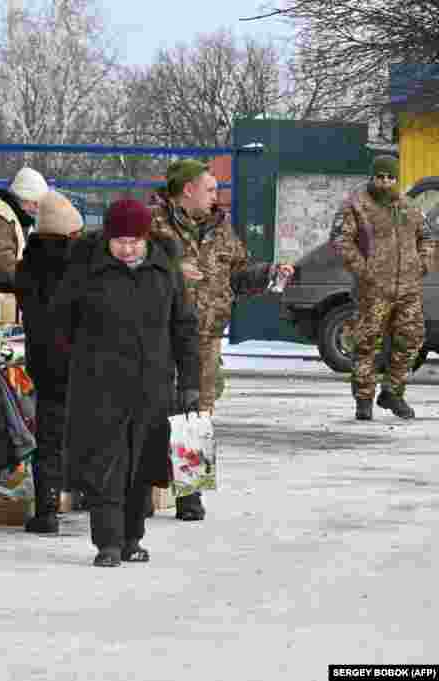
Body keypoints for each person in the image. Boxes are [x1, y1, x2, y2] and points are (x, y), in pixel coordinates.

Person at [58, 199, 199, 567]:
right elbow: (62, 322)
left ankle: (132, 538)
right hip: (100, 386)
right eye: (119, 240)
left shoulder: (164, 269)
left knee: (143, 464)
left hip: (152, 385)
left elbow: (183, 326)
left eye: (134, 240)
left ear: (146, 238)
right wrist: (79, 363)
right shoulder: (86, 270)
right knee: (106, 465)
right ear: (107, 238)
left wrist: (190, 380)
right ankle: (107, 542)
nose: (127, 247)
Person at [149, 159, 290, 521]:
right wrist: (172, 271)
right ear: (188, 190)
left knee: (196, 413)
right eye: (210, 189)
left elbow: (238, 272)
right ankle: (142, 492)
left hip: (205, 337)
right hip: (156, 335)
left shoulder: (221, 227)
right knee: (151, 411)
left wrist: (269, 273)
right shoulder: (152, 225)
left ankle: (190, 495)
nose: (216, 196)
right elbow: (128, 266)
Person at [331, 155, 430, 420]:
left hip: (408, 289)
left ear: (396, 179)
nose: (385, 182)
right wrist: (364, 271)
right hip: (373, 290)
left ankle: (392, 392)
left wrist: (422, 264)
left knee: (412, 340)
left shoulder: (409, 207)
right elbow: (341, 241)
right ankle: (364, 399)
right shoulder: (356, 206)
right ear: (373, 177)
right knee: (365, 343)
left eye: (390, 177)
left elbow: (427, 236)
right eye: (380, 177)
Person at [14, 191, 84, 535]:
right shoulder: (82, 265)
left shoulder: (28, 265)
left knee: (49, 437)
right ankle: (93, 499)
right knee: (92, 434)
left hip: (44, 362)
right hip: (82, 362)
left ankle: (46, 511)